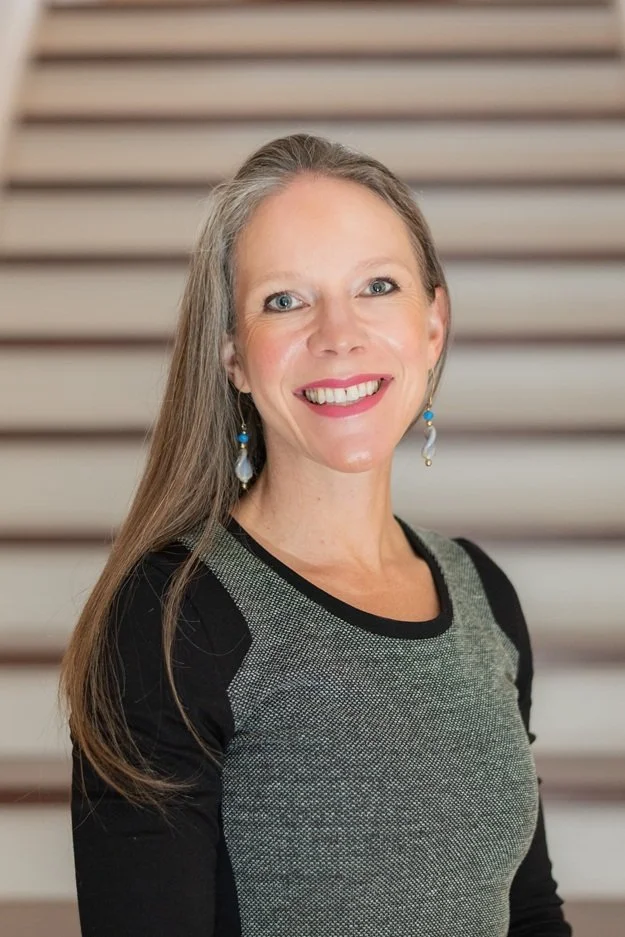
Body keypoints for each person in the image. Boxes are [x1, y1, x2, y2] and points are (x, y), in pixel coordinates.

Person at [59, 133, 572, 936]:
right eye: (285, 300)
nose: (338, 333)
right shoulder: (170, 616)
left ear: (432, 323)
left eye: (376, 285)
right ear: (232, 353)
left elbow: (530, 913)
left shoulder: (481, 593)